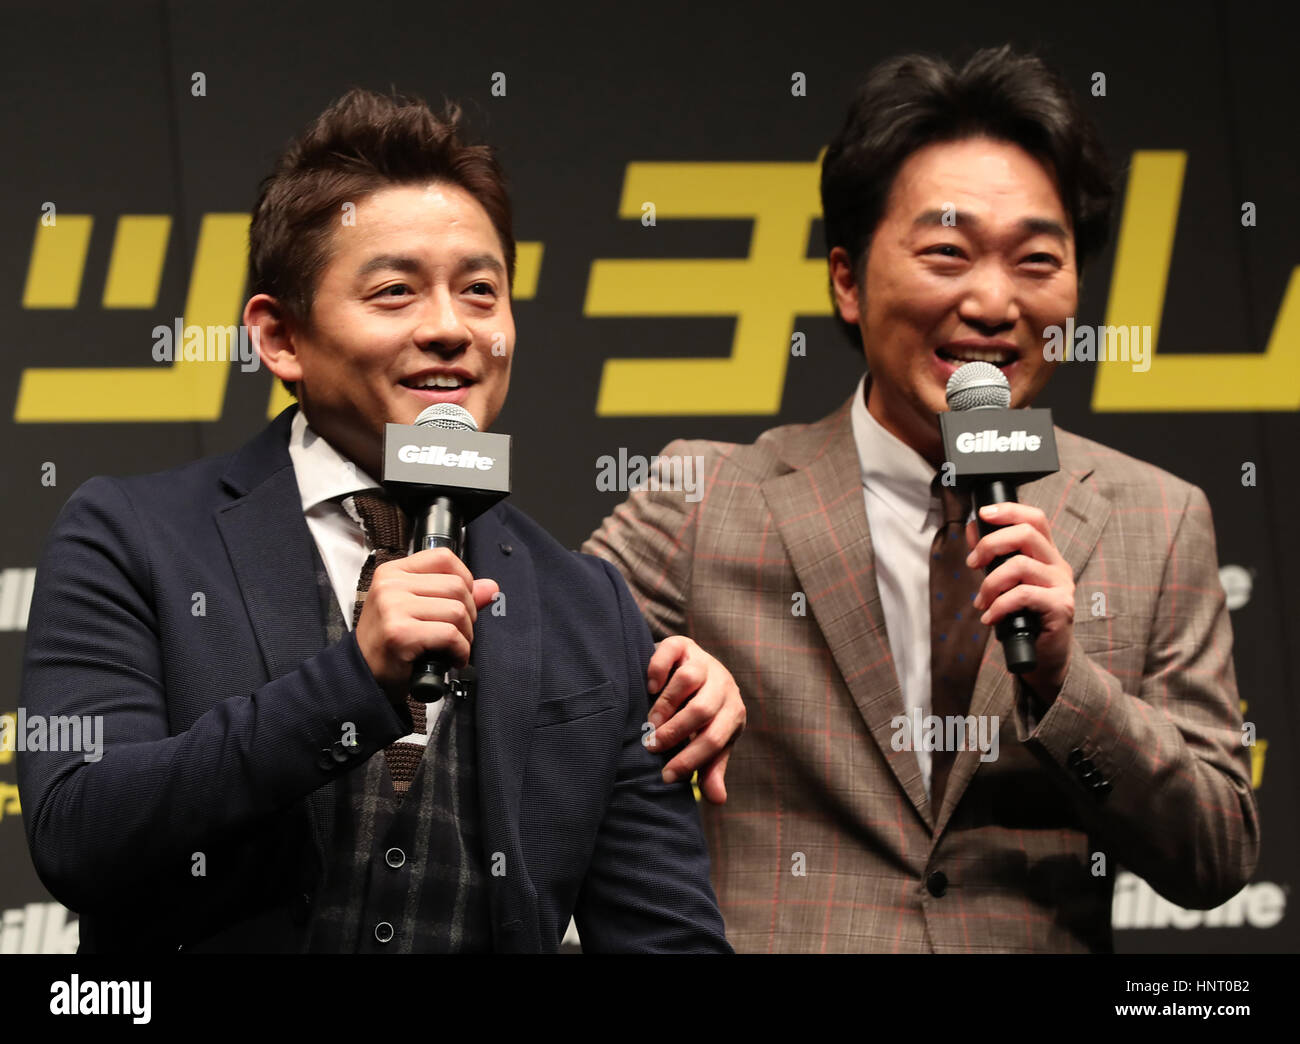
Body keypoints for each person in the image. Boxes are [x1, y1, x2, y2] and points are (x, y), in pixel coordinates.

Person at [18, 88, 738, 953]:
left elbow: (669, 940)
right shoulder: (132, 535)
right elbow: (78, 828)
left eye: (480, 290)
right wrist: (348, 685)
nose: (449, 328)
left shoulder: (592, 608)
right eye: (395, 291)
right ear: (280, 338)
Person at [584, 46, 1260, 952]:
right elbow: (531, 699)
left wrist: (1067, 681)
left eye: (1035, 260)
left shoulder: (1158, 518)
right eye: (947, 252)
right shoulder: (702, 498)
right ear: (848, 279)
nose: (992, 301)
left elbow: (1213, 855)